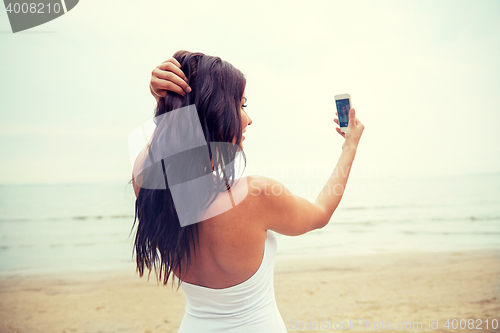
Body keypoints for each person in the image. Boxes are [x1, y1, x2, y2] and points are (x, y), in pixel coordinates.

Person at [135, 50, 364, 332]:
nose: (248, 119)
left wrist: (167, 102)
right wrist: (349, 146)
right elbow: (320, 213)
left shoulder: (149, 184)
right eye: (241, 106)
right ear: (214, 111)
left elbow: (164, 147)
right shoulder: (256, 194)